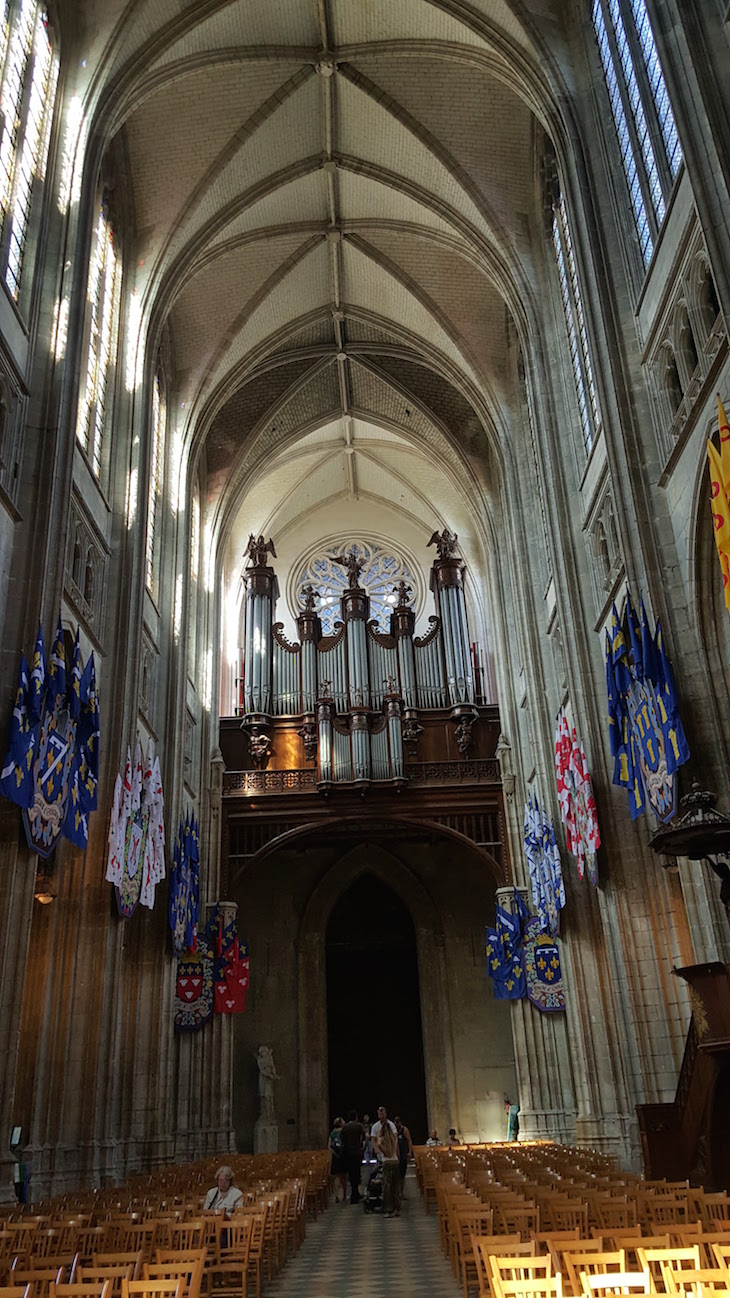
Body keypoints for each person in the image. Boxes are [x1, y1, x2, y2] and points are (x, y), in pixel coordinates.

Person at [371, 1104, 400, 1217]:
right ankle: (396, 1208)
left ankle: (390, 1209)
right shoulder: (377, 1127)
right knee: (394, 1186)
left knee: (388, 1186)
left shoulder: (389, 1131)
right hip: (392, 1161)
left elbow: (388, 1150)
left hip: (388, 1161)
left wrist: (380, 1147)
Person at [340, 1108, 365, 1203]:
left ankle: (355, 1193)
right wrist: (364, 1147)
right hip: (356, 1152)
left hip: (348, 1153)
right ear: (356, 1117)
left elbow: (341, 1139)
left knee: (351, 1174)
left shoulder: (345, 1127)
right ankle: (355, 1195)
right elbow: (366, 1135)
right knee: (357, 1173)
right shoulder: (358, 1126)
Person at [329, 1116, 348, 1202]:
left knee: (336, 1177)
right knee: (344, 1176)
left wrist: (334, 1153)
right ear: (340, 1123)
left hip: (335, 1156)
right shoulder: (344, 1131)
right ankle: (344, 1195)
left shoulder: (332, 1133)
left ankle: (336, 1195)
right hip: (343, 1155)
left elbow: (328, 1146)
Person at [394, 1116, 413, 1196]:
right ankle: (397, 1192)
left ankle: (401, 1192)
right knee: (396, 1176)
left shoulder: (404, 1130)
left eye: (397, 1122)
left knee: (402, 1175)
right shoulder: (393, 1131)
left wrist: (410, 1152)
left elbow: (409, 1141)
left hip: (403, 1154)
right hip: (395, 1156)